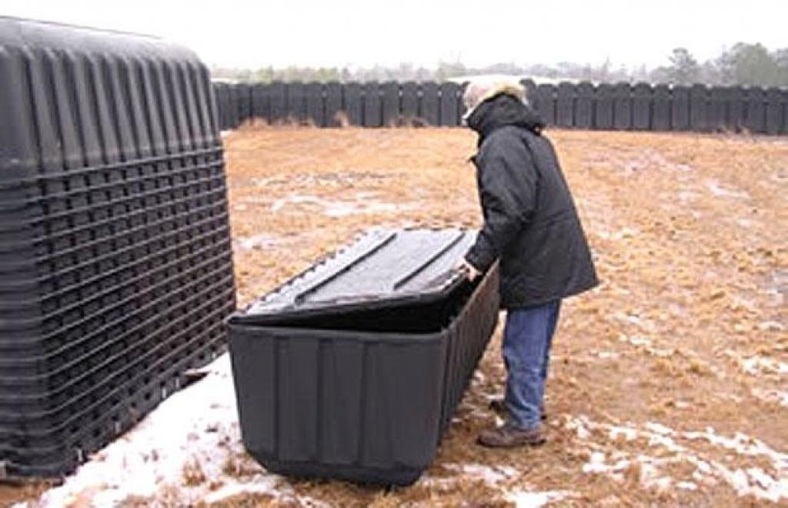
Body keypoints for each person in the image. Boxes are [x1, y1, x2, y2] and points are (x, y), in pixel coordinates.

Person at [458, 78, 598, 448]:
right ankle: (526, 402)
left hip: (539, 257)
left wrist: (477, 259)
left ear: (479, 106)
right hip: (552, 252)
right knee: (536, 340)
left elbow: (509, 211)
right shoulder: (526, 134)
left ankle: (524, 422)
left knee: (522, 345)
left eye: (467, 106)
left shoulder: (502, 142)